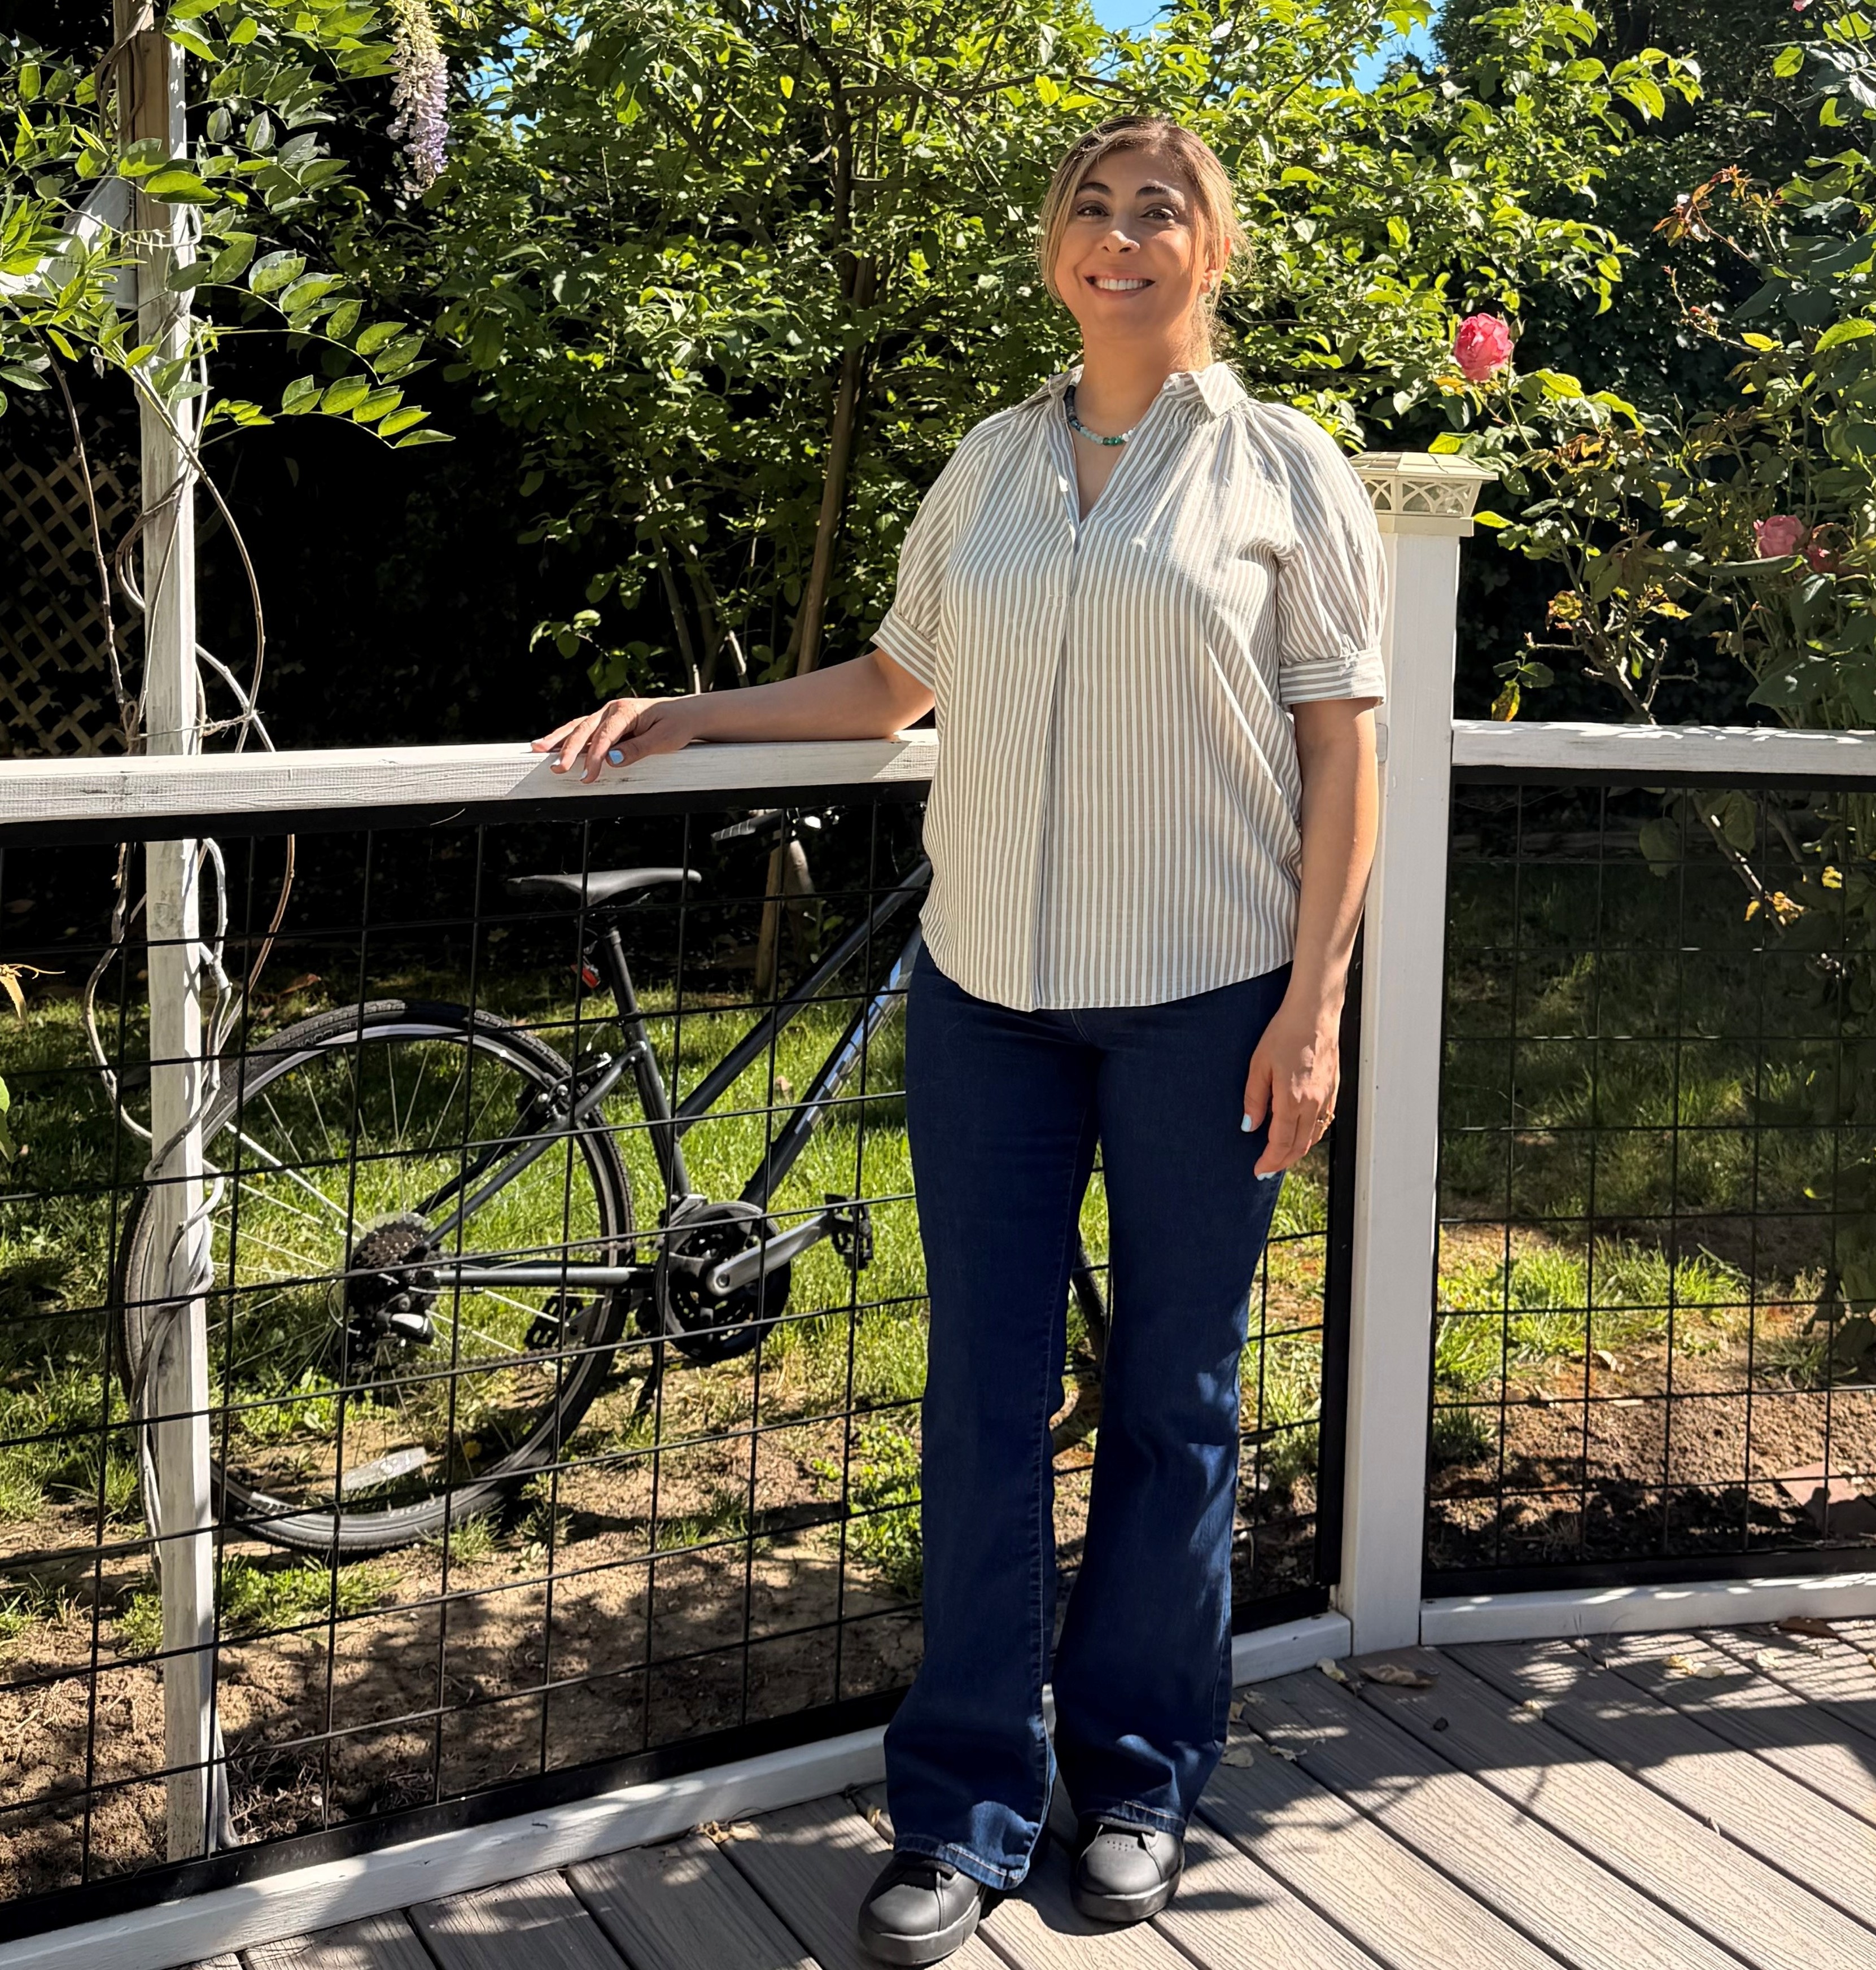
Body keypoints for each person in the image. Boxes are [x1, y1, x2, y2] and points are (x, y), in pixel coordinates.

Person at [532, 114, 1385, 1967]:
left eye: (1161, 210)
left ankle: (1141, 1781)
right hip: (989, 998)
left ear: (1211, 253)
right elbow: (893, 683)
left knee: (1175, 1402)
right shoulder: (990, 464)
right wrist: (697, 710)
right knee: (981, 1407)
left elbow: (1341, 750)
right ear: (1053, 249)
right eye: (1092, 206)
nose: (1121, 234)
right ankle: (968, 1808)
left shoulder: (1285, 470)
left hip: (1205, 1001)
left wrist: (1313, 1008)